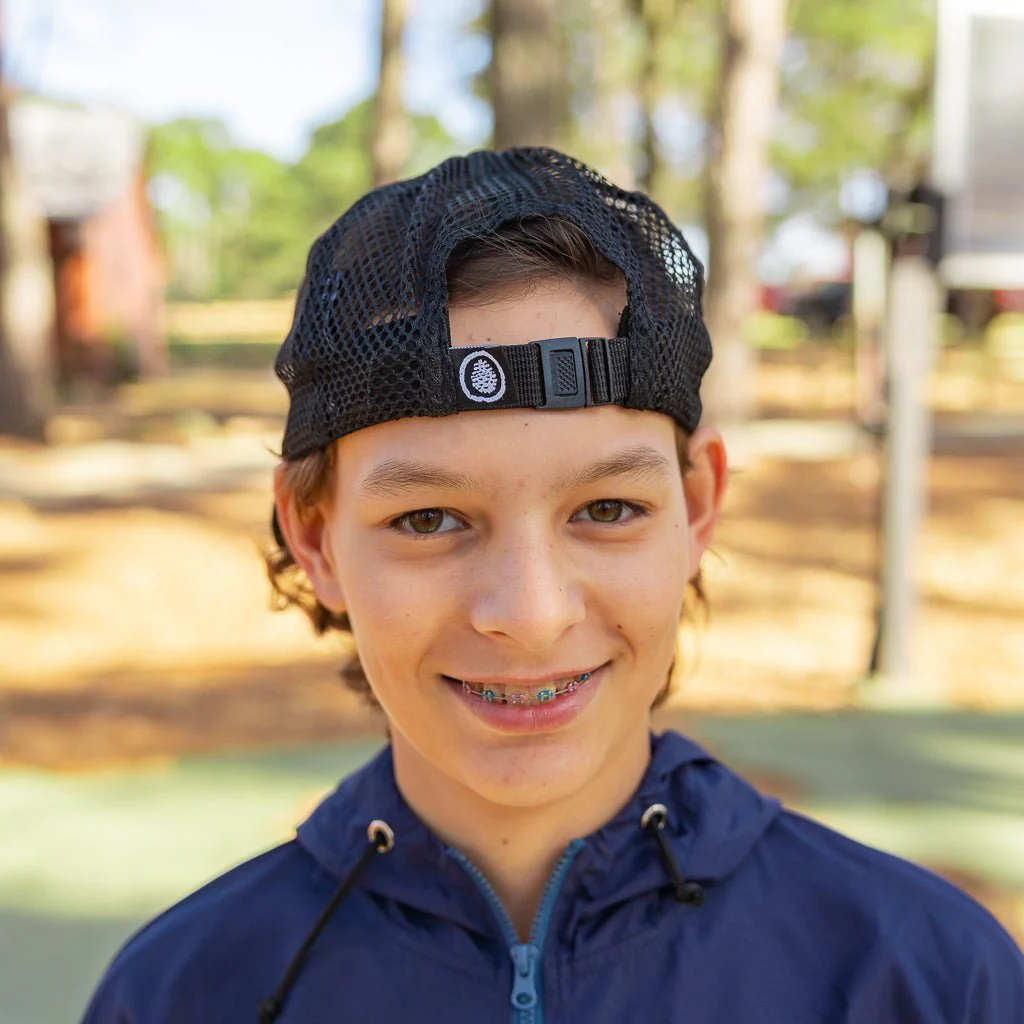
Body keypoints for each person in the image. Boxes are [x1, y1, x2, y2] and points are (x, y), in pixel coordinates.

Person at [82, 148, 1023, 1023]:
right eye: (429, 519)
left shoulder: (927, 978)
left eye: (607, 508)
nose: (531, 616)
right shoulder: (182, 995)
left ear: (697, 507)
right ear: (315, 537)